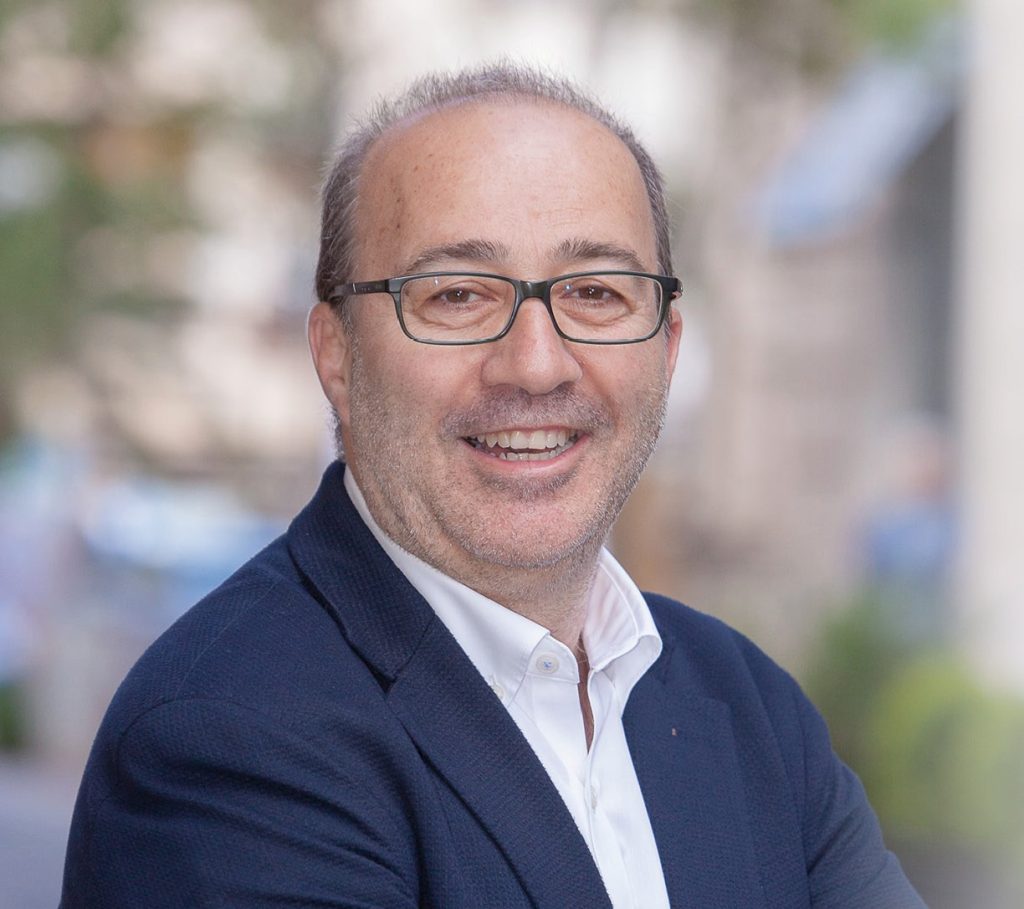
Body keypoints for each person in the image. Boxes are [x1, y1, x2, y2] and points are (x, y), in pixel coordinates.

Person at [61, 63, 925, 908]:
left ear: (666, 349)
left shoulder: (753, 714)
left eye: (596, 292)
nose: (537, 364)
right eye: (458, 296)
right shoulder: (225, 740)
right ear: (336, 354)